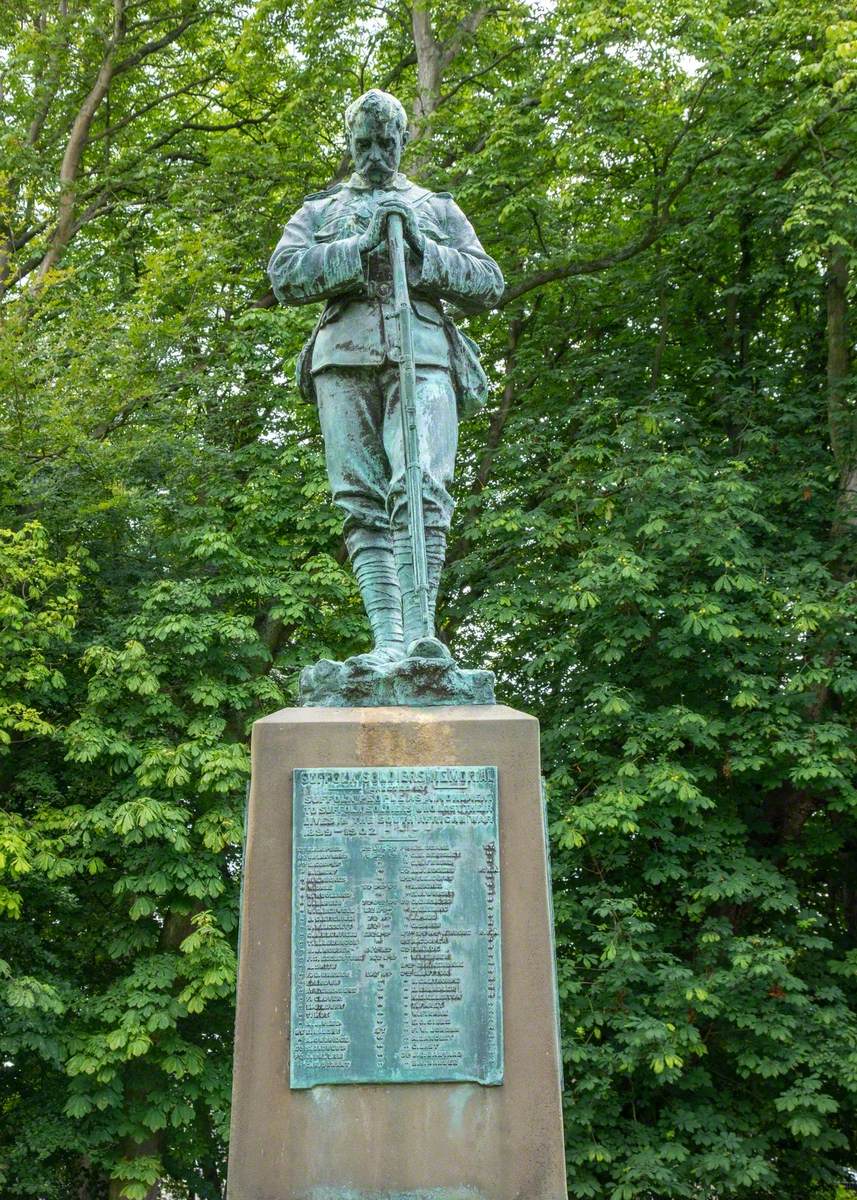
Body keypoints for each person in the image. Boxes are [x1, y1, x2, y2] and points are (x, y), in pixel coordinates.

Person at [268, 89, 504, 666]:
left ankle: (424, 633)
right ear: (349, 144)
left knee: (422, 486)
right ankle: (387, 641)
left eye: (386, 142)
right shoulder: (320, 212)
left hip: (423, 355)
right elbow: (285, 276)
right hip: (342, 357)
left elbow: (488, 283)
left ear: (403, 141)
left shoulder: (437, 208)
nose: (374, 154)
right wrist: (360, 246)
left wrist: (425, 254)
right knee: (361, 501)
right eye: (363, 143)